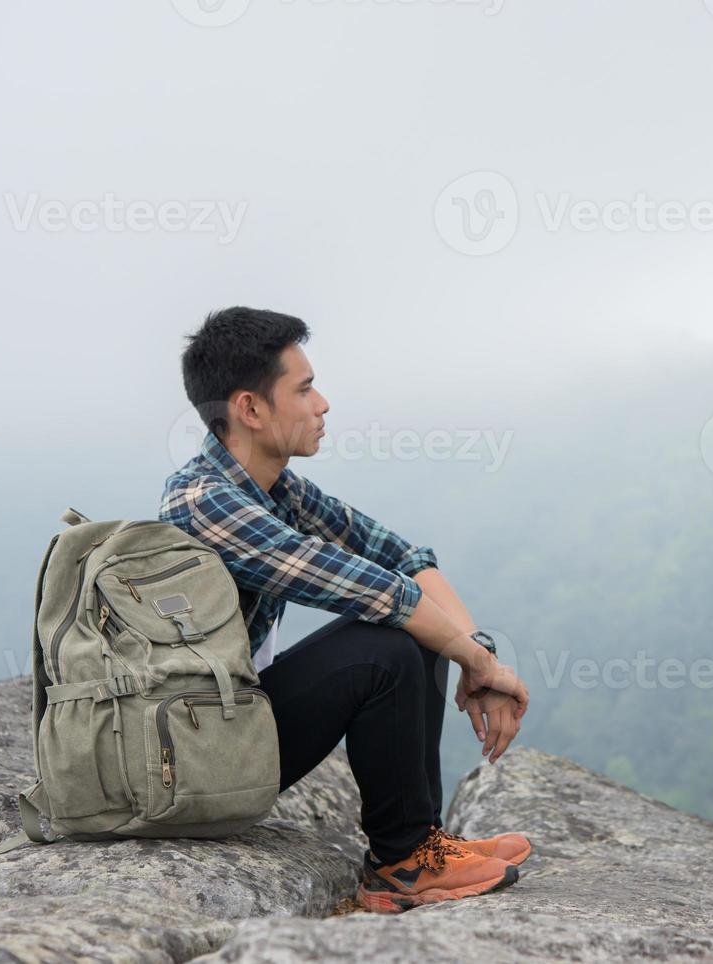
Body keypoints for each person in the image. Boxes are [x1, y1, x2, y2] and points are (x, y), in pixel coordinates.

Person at [158, 306, 532, 913]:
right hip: (195, 757)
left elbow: (402, 559)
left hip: (232, 727)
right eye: (303, 390)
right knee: (386, 643)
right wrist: (475, 661)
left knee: (414, 633)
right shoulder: (205, 503)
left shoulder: (278, 490)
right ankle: (401, 862)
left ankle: (423, 842)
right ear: (250, 410)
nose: (323, 404)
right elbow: (371, 591)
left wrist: (477, 653)